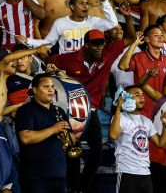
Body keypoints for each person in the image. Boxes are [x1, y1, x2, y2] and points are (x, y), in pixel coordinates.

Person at [48, 29, 135, 192]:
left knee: (97, 150)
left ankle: (84, 186)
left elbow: (131, 37)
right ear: (86, 45)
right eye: (95, 44)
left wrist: (129, 17)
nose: (99, 47)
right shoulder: (70, 58)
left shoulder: (109, 51)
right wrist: (50, 64)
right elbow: (50, 59)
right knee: (74, 149)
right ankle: (74, 188)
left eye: (101, 43)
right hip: (73, 110)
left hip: (92, 109)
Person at [0, 44, 49, 192]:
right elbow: (7, 58)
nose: (15, 63)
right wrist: (35, 50)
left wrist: (19, 106)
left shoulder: (2, 83)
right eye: (12, 61)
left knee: (5, 175)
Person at [14, 73, 72, 193]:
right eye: (46, 87)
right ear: (35, 90)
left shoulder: (59, 111)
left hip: (60, 173)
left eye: (52, 87)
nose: (51, 90)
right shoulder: (26, 110)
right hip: (36, 176)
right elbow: (25, 138)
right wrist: (53, 129)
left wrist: (66, 135)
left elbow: (72, 139)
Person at [109, 86, 166, 193]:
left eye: (142, 94)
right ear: (125, 98)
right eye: (137, 95)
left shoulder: (147, 121)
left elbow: (161, 144)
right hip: (127, 172)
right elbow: (113, 136)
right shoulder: (120, 117)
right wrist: (119, 107)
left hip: (145, 173)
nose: (142, 97)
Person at [21, 0, 119, 54]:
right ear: (72, 7)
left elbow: (113, 23)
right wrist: (27, 41)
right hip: (67, 66)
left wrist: (104, 0)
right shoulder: (60, 23)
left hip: (87, 66)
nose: (85, 6)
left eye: (86, 3)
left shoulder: (93, 21)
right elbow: (48, 43)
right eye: (81, 3)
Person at [119, 25, 166, 118]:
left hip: (159, 112)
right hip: (140, 111)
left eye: (162, 35)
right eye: (156, 35)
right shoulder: (138, 57)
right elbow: (122, 66)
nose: (160, 38)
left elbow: (165, 84)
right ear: (147, 39)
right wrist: (134, 44)